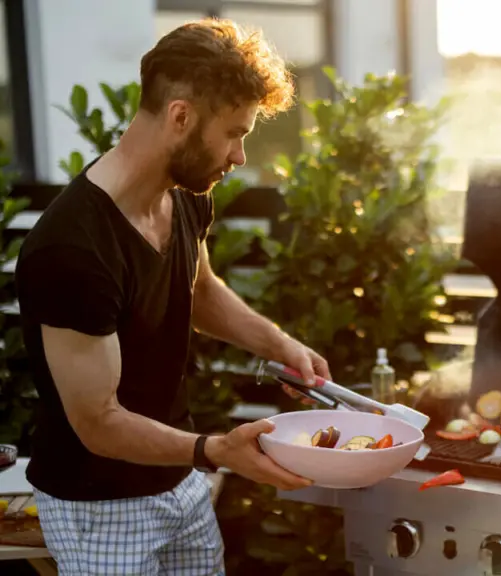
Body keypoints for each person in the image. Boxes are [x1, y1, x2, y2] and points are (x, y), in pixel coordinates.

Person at [14, 18, 332, 575]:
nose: (238, 157)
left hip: (180, 483)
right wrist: (212, 450)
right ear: (181, 116)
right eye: (234, 133)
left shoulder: (183, 195)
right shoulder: (72, 250)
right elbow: (99, 422)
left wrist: (281, 346)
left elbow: (200, 290)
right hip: (100, 509)